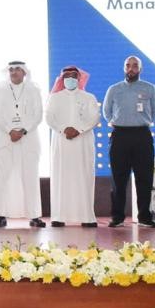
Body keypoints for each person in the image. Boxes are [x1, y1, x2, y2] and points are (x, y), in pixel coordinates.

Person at [103, 56, 155, 228]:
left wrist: (141, 121)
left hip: (142, 135)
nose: (131, 69)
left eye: (135, 66)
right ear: (124, 68)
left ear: (140, 69)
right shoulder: (114, 89)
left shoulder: (150, 88)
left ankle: (144, 217)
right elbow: (106, 112)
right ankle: (117, 217)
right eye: (128, 65)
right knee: (118, 179)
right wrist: (118, 121)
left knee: (144, 178)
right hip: (120, 135)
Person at [0, 61, 45, 228]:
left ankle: (34, 216)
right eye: (11, 70)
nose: (14, 72)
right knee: (2, 177)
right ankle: (0, 215)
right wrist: (10, 130)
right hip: (5, 138)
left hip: (28, 139)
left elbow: (38, 114)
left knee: (30, 177)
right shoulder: (0, 89)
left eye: (17, 69)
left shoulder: (33, 89)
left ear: (24, 72)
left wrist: (23, 130)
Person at [45, 66, 100, 227]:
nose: (70, 79)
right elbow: (49, 117)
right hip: (61, 142)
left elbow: (95, 117)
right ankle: (58, 216)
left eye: (73, 75)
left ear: (79, 78)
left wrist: (79, 130)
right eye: (67, 76)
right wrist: (64, 129)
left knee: (84, 176)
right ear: (62, 79)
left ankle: (87, 217)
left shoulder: (89, 97)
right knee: (61, 176)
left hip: (83, 142)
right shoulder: (54, 98)